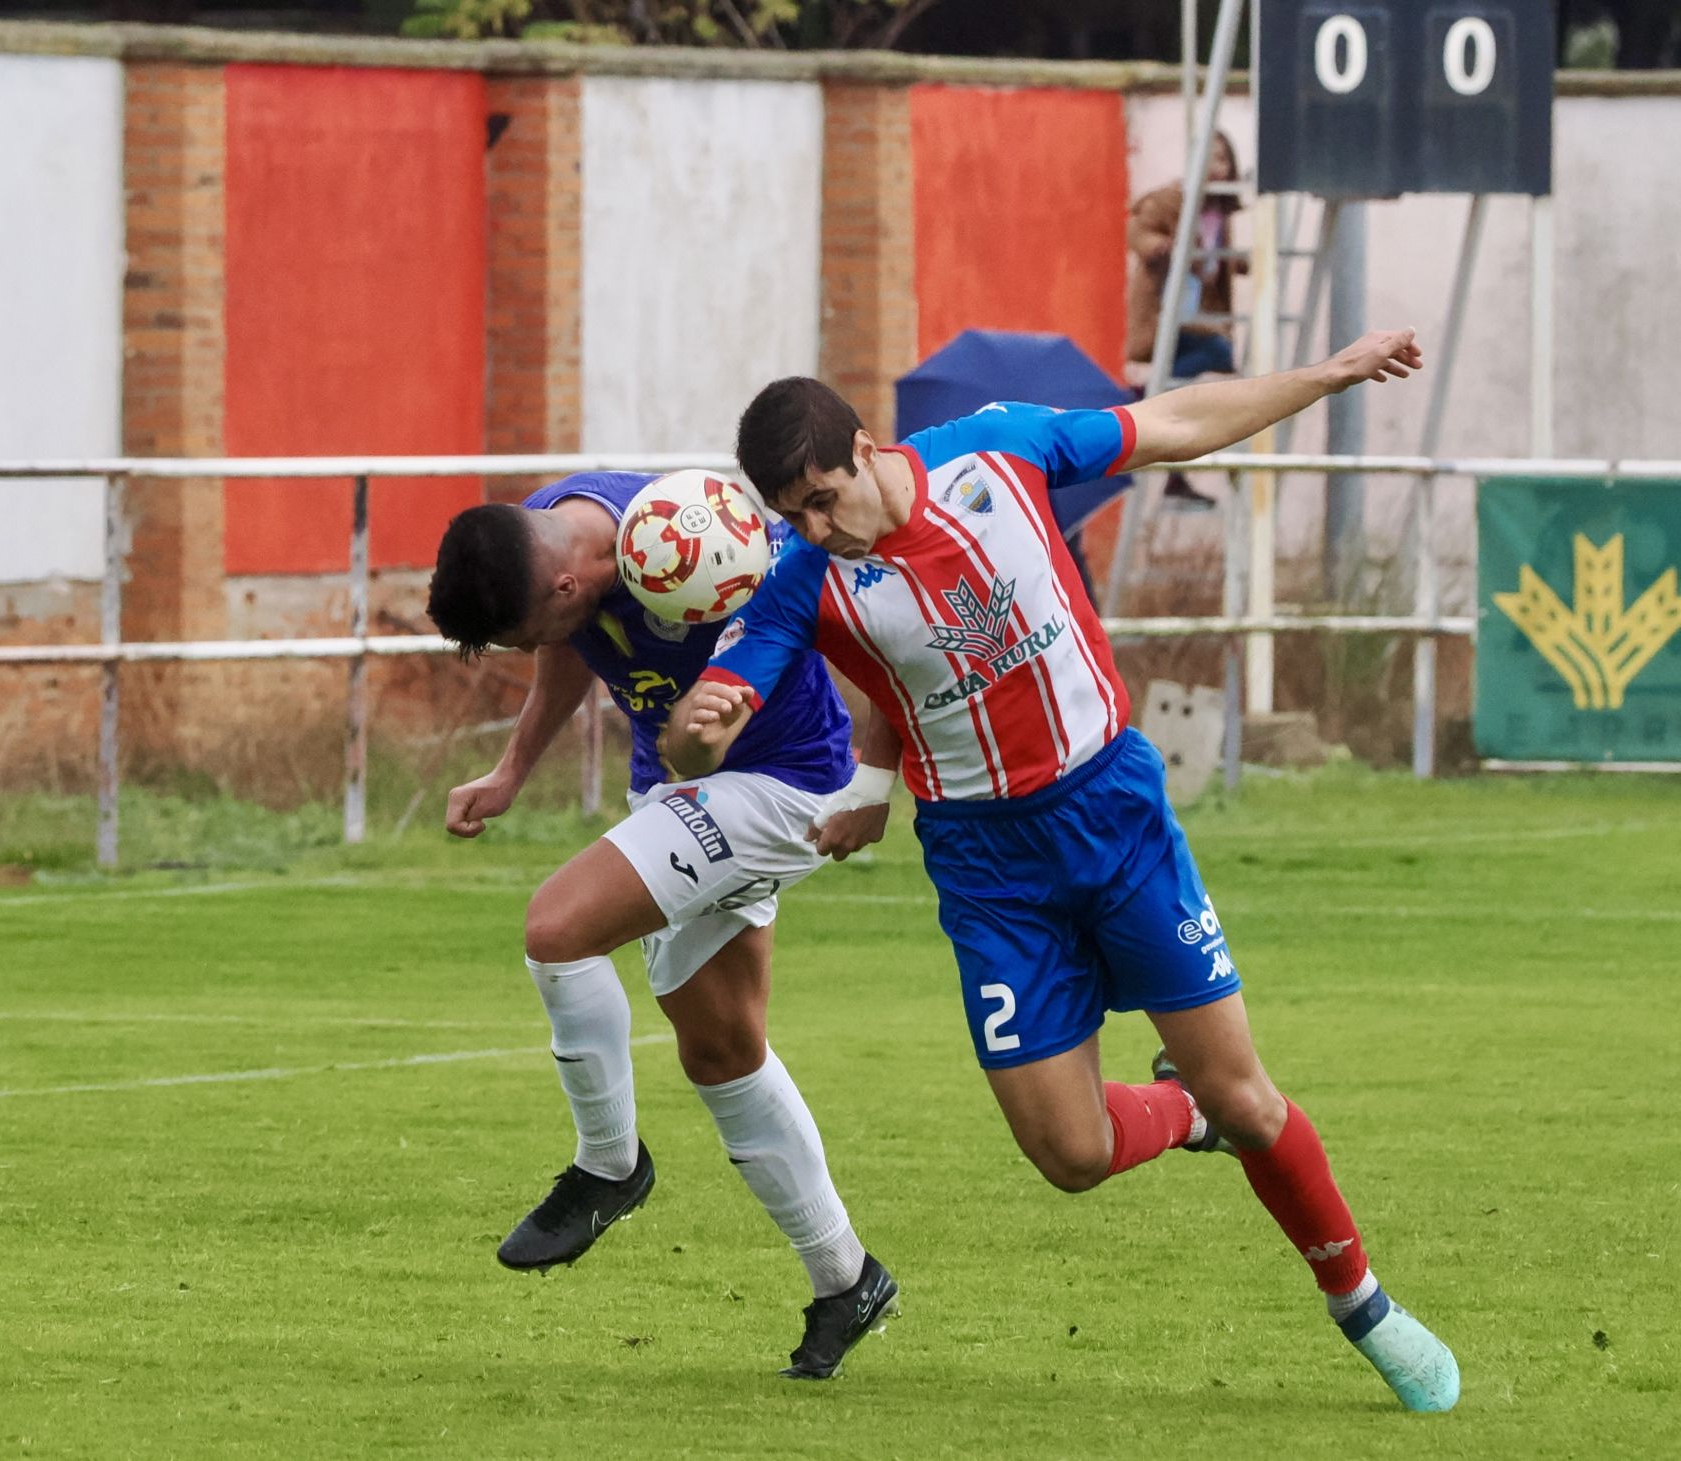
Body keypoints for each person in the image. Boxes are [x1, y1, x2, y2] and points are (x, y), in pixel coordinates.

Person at [660, 329, 1461, 1413]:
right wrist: (701, 738)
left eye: (822, 497)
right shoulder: (806, 581)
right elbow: (711, 723)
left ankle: (1362, 1303)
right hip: (989, 869)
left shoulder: (998, 457)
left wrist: (1328, 375)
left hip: (1113, 815)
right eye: (791, 514)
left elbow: (1178, 421)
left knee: (1253, 1094)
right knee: (1070, 1155)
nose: (813, 527)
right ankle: (1185, 1118)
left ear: (864, 446)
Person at [426, 473, 901, 1380]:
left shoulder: (696, 547)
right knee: (722, 1050)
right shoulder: (557, 539)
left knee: (557, 927)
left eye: (524, 631)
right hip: (677, 789)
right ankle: (847, 1277)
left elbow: (861, 620)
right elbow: (568, 651)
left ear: (564, 586)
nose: (532, 647)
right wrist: (513, 769)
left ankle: (609, 1165)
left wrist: (872, 781)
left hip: (780, 785)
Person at [1127, 130, 1247, 506]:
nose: (1217, 167)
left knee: (1194, 384)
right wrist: (1164, 248)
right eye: (1210, 158)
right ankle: (1150, 395)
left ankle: (1175, 476)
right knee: (1218, 354)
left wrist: (1238, 260)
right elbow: (1138, 229)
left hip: (1200, 313)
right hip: (1170, 312)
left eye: (1223, 159)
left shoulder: (1222, 211)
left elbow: (1216, 259)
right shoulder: (1173, 199)